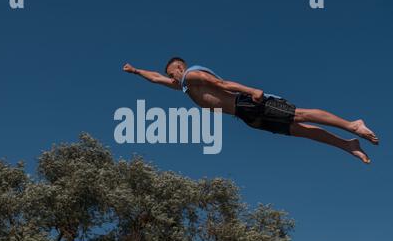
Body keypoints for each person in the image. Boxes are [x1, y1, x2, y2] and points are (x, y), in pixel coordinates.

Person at [123, 58, 379, 164]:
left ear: (181, 67)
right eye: (170, 75)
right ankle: (346, 145)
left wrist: (252, 89)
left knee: (300, 114)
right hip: (245, 116)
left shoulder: (193, 75)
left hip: (247, 102)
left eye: (173, 73)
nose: (172, 77)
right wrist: (135, 72)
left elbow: (223, 85)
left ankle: (352, 124)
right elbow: (155, 78)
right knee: (299, 131)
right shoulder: (184, 86)